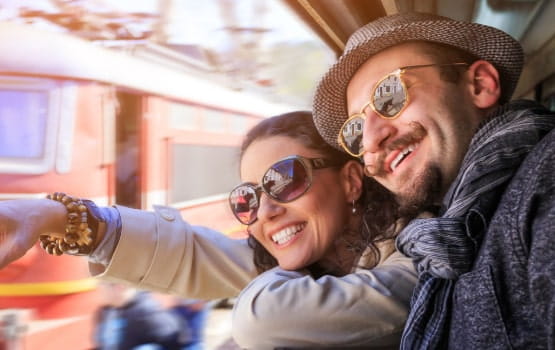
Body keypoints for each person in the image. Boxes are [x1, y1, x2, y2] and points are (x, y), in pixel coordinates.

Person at [0, 111, 417, 349]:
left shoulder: (421, 255)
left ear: (350, 180)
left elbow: (262, 313)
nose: (266, 211)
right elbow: (190, 253)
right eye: (246, 200)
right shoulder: (323, 259)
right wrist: (48, 216)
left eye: (285, 180)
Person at [311, 12, 555, 350]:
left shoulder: (545, 179)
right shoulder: (443, 239)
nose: (369, 142)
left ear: (480, 86)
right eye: (355, 131)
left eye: (389, 95)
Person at [94, 282, 189, 350]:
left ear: (119, 287)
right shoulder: (107, 312)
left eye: (101, 285)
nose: (98, 290)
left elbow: (177, 341)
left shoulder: (147, 313)